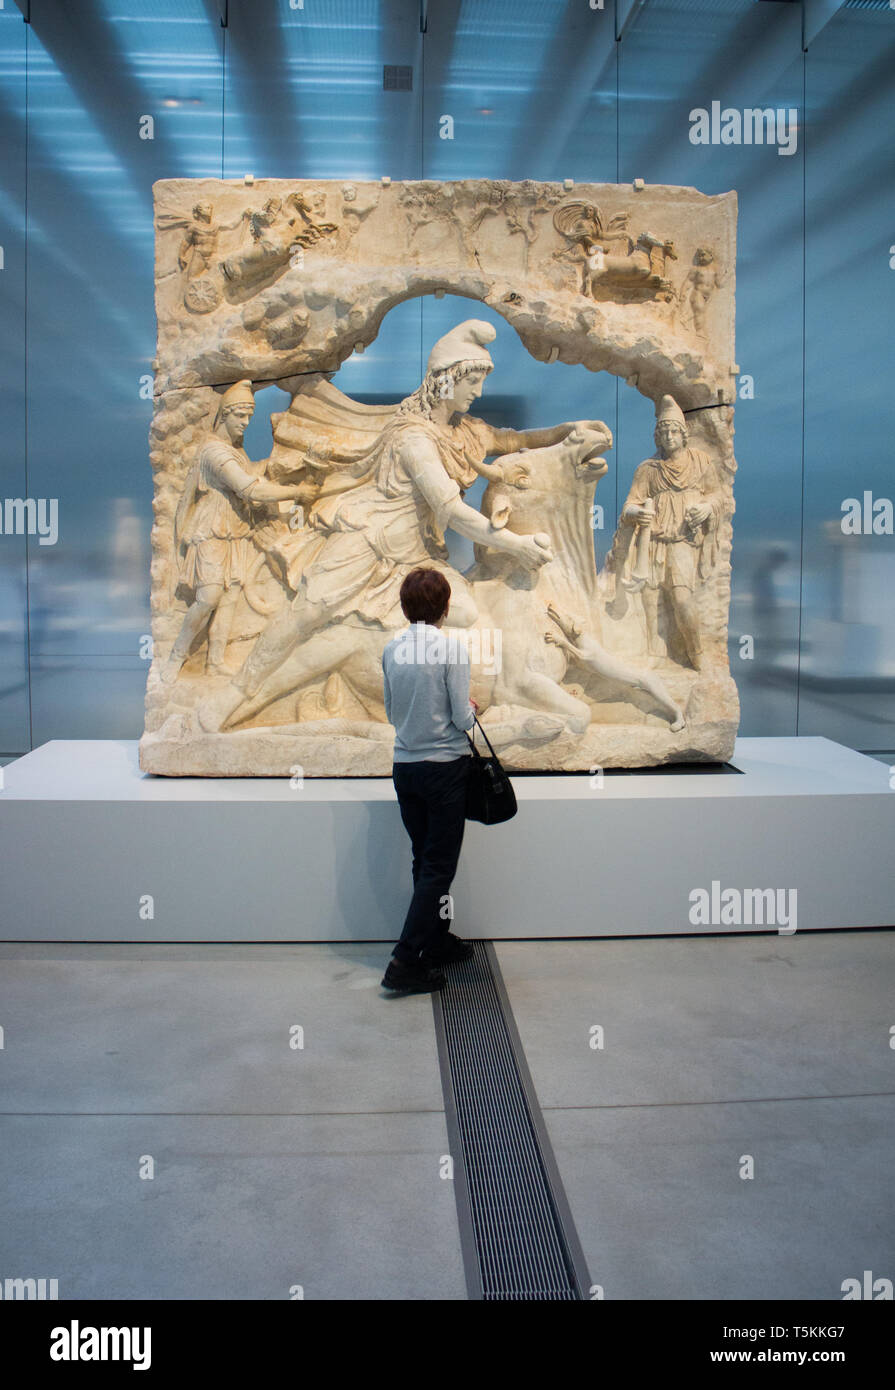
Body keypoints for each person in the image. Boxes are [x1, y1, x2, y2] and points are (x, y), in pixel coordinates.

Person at [380, 568, 478, 995]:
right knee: (439, 867)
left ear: (404, 607)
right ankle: (404, 960)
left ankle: (435, 941)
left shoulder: (391, 649)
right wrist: (474, 710)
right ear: (445, 607)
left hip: (406, 767)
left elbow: (390, 713)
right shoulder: (451, 649)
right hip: (444, 768)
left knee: (424, 860)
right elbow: (461, 718)